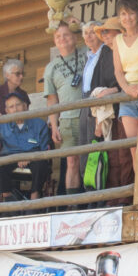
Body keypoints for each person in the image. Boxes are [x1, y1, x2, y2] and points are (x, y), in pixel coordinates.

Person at [92, 17, 134, 203]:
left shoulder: (125, 50)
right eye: (103, 33)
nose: (105, 36)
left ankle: (126, 196)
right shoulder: (103, 55)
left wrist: (113, 90)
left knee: (125, 155)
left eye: (108, 32)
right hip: (109, 111)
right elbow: (98, 86)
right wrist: (98, 121)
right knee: (113, 156)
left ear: (119, 33)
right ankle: (113, 197)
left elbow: (127, 79)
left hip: (125, 107)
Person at [0, 92, 52, 201]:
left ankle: (35, 197)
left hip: (34, 158)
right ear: (7, 111)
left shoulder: (39, 124)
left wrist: (29, 158)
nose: (15, 109)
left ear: (25, 106)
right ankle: (8, 197)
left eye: (18, 105)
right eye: (11, 106)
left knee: (41, 164)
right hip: (10, 157)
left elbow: (44, 150)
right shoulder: (3, 123)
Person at [44, 24, 86, 196]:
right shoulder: (51, 68)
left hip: (89, 115)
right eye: (58, 36)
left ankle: (94, 199)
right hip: (67, 120)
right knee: (72, 162)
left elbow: (97, 37)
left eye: (66, 35)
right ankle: (73, 203)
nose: (62, 38)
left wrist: (81, 24)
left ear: (75, 38)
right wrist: (54, 126)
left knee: (92, 158)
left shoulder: (86, 53)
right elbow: (52, 100)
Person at [113, 0, 138, 166]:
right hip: (127, 97)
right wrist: (127, 89)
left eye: (131, 13)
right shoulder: (117, 40)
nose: (128, 18)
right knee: (133, 148)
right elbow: (118, 71)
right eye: (123, 14)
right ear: (119, 18)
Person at [77, 21, 104, 191]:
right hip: (84, 102)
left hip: (97, 104)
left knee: (96, 148)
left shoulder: (105, 54)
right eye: (85, 33)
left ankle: (98, 194)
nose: (88, 36)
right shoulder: (89, 56)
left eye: (92, 32)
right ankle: (89, 192)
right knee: (84, 150)